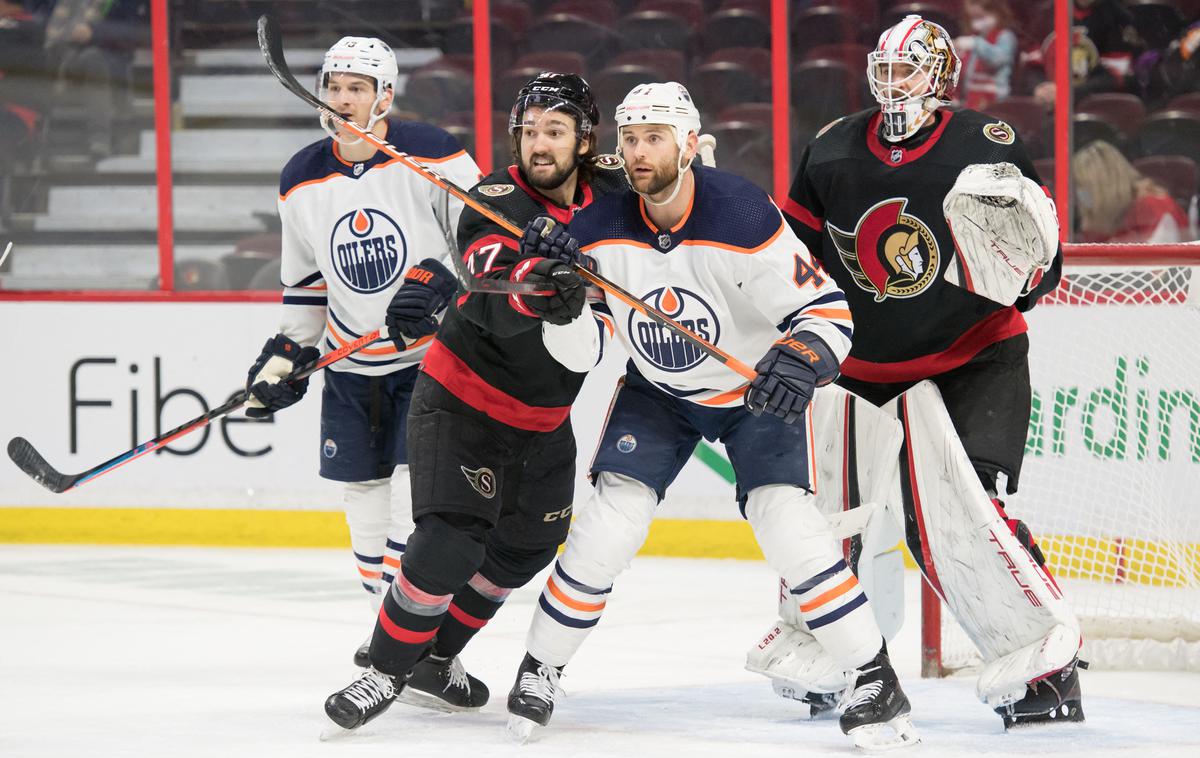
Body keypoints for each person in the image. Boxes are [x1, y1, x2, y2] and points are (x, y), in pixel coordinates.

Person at [505, 81, 919, 752]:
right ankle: (540, 667)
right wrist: (562, 304)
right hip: (658, 388)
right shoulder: (599, 228)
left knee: (786, 525)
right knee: (609, 525)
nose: (639, 153)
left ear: (690, 144)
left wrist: (802, 358)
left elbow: (829, 313)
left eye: (655, 138)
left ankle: (874, 677)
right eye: (630, 139)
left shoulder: (742, 216)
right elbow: (582, 354)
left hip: (751, 389)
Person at [772, 15, 1082, 730]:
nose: (894, 82)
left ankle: (1046, 665)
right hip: (860, 368)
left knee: (964, 518)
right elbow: (789, 262)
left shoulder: (986, 146)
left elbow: (1040, 266)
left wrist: (1025, 271)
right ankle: (831, 657)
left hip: (973, 357)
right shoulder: (832, 149)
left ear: (942, 77)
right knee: (824, 520)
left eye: (910, 69)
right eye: (887, 67)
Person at [321, 72, 630, 730]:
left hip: (545, 422)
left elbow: (664, 199)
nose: (538, 145)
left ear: (585, 140)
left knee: (524, 549)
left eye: (555, 131)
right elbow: (498, 287)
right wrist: (536, 275)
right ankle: (383, 670)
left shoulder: (611, 195)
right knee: (449, 544)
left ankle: (434, 658)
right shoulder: (494, 198)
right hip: (463, 404)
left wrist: (691, 168)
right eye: (529, 132)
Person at [242, 36, 481, 709]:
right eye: (334, 86)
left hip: (431, 361)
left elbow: (489, 241)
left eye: (357, 87)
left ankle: (397, 653)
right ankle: (413, 647)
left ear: (386, 97)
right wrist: (285, 357)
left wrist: (441, 280)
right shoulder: (299, 177)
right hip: (353, 368)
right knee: (364, 511)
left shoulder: (433, 153)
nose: (343, 98)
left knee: (415, 500)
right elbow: (306, 287)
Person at [1073, 140, 1191, 243]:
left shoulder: (1154, 206)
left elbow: (1161, 264)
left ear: (1101, 188)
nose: (1080, 196)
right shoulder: (1101, 219)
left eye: (1082, 187)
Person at [954, 0, 1017, 110]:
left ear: (996, 13)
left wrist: (976, 44)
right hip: (970, 98)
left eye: (981, 17)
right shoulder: (975, 37)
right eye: (974, 18)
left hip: (995, 101)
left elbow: (997, 59)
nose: (977, 23)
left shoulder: (1005, 36)